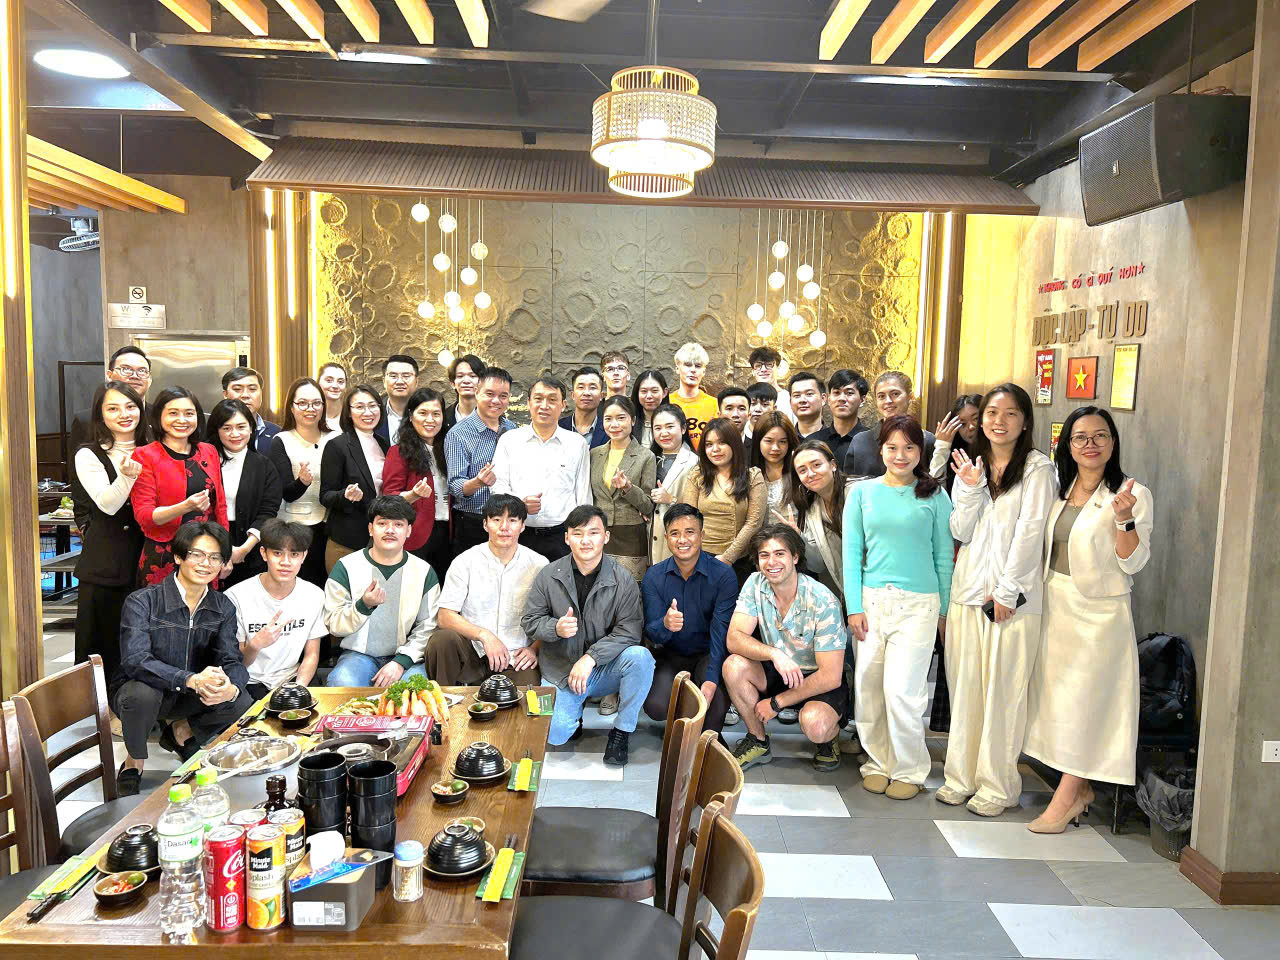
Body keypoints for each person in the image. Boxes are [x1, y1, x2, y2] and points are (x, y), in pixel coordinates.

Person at [1024, 407, 1153, 833]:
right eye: (1080, 437)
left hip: (1099, 615)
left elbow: (1133, 561)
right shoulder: (1059, 488)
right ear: (1068, 445)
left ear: (1113, 443)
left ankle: (1067, 797)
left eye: (1100, 436)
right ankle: (1078, 789)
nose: (1090, 444)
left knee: (1086, 703)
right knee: (1058, 702)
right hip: (1055, 605)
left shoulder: (1132, 493)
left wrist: (1124, 520)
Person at [939, 383, 1056, 817]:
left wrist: (1008, 591)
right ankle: (960, 777)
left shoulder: (1038, 469)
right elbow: (960, 530)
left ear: (1024, 421)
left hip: (1013, 600)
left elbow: (1031, 532)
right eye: (991, 413)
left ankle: (998, 785)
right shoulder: (972, 465)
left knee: (1002, 693)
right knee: (966, 688)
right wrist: (970, 489)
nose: (998, 421)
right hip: (967, 592)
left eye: (1009, 414)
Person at [843, 416, 954, 800]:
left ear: (921, 451)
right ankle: (878, 763)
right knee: (869, 689)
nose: (900, 455)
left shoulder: (935, 495)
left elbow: (944, 557)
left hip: (920, 605)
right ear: (881, 450)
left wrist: (945, 611)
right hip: (872, 603)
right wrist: (853, 607)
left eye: (909, 447)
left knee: (902, 691)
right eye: (892, 447)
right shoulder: (862, 493)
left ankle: (909, 769)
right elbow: (851, 553)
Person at [112, 521, 253, 794]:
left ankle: (181, 730)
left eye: (215, 557)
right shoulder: (142, 601)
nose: (205, 564)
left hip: (192, 695)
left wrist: (231, 687)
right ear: (178, 556)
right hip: (147, 689)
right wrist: (189, 679)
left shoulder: (222, 606)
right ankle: (134, 759)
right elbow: (135, 659)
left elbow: (231, 660)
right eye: (196, 554)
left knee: (241, 700)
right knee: (141, 695)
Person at [520, 505, 653, 766]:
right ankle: (574, 711)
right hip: (561, 669)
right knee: (555, 735)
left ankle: (622, 730)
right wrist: (555, 628)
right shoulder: (548, 575)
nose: (586, 540)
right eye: (578, 533)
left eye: (593, 533)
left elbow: (629, 631)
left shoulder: (622, 579)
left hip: (603, 668)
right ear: (566, 538)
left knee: (641, 658)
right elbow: (530, 621)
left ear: (606, 537)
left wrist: (590, 658)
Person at [722, 524, 848, 772]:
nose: (771, 562)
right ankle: (757, 740)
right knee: (733, 665)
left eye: (779, 553)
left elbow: (831, 676)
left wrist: (776, 703)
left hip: (816, 678)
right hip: (779, 669)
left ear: (795, 557)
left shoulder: (823, 601)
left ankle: (829, 738)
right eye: (764, 555)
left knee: (816, 725)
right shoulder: (755, 583)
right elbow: (734, 638)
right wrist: (774, 654)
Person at [70, 380, 147, 687]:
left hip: (146, 558)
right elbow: (108, 504)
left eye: (130, 406)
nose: (123, 414)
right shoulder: (88, 454)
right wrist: (127, 477)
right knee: (101, 645)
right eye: (113, 408)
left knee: (139, 642)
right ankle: (99, 706)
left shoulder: (154, 449)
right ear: (100, 415)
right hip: (106, 563)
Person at [427, 494, 548, 685]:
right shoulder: (465, 561)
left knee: (528, 696)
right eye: (496, 520)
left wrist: (535, 649)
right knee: (441, 640)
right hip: (472, 652)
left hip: (516, 658)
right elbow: (445, 616)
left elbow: (550, 617)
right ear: (485, 524)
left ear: (523, 525)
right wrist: (485, 636)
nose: (504, 527)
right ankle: (444, 698)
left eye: (512, 520)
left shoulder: (539, 565)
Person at [641, 504, 737, 734]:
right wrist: (665, 624)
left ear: (702, 535)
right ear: (666, 538)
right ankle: (683, 724)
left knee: (714, 703)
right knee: (656, 706)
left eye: (690, 532)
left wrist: (712, 678)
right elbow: (652, 632)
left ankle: (707, 741)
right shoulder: (654, 576)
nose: (682, 540)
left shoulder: (723, 575)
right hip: (670, 655)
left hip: (708, 654)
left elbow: (721, 633)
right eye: (675, 533)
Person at [323, 495, 438, 687]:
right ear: (370, 528)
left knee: (415, 691)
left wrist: (401, 662)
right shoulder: (346, 566)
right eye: (382, 523)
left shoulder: (423, 571)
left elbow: (429, 626)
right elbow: (333, 624)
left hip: (407, 658)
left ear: (409, 530)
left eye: (398, 525)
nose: (390, 530)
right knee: (342, 683)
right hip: (358, 656)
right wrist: (363, 606)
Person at [132, 387, 227, 586]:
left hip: (206, 554)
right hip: (164, 553)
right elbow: (145, 516)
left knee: (205, 605)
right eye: (173, 413)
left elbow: (220, 507)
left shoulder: (208, 451)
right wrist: (186, 506)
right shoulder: (145, 455)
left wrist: (224, 551)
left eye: (189, 413)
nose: (182, 420)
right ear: (159, 416)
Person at [492, 376, 590, 563]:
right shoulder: (510, 440)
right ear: (529, 403)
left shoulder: (577, 444)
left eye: (552, 400)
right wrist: (519, 505)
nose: (544, 405)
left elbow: (583, 495)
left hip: (561, 537)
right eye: (538, 399)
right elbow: (497, 488)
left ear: (563, 405)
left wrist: (580, 535)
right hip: (518, 534)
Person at [226, 519, 327, 699]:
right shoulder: (236, 597)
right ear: (264, 553)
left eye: (294, 554)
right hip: (248, 681)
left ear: (304, 556)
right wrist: (256, 644)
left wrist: (297, 689)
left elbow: (311, 654)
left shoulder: (314, 595)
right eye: (277, 553)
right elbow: (235, 664)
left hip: (291, 678)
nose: (285, 562)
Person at [68, 345, 153, 522]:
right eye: (126, 369)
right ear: (109, 375)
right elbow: (76, 478)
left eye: (142, 371)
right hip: (106, 524)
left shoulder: (162, 416)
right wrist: (84, 522)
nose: (135, 375)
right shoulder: (85, 421)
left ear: (150, 379)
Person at [206, 399, 283, 588]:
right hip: (207, 543)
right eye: (226, 428)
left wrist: (243, 549)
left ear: (251, 428)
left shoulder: (264, 466)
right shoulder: (204, 462)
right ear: (217, 430)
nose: (235, 434)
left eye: (241, 427)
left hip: (250, 545)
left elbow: (268, 511)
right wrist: (217, 550)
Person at [268, 376, 335, 588]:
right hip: (294, 530)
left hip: (330, 528)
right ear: (291, 407)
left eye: (316, 403)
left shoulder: (336, 438)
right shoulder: (281, 441)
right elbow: (286, 492)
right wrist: (302, 482)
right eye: (303, 403)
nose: (310, 409)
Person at [679, 418, 766, 578]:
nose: (715, 449)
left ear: (734, 444)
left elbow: (754, 523)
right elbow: (689, 517)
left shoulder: (752, 476)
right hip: (700, 557)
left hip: (739, 559)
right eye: (709, 444)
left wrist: (728, 557)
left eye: (722, 443)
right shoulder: (697, 475)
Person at [445, 367, 516, 554]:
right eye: (489, 394)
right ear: (477, 393)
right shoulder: (458, 433)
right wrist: (478, 482)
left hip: (507, 521)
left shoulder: (513, 429)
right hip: (472, 522)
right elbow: (455, 485)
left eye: (503, 396)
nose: (496, 401)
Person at [383, 387, 452, 577]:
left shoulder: (447, 449)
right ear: (411, 416)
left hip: (447, 532)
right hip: (415, 533)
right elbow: (389, 497)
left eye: (436, 414)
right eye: (423, 413)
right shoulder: (398, 452)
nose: (430, 420)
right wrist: (413, 495)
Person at [319, 384, 388, 572]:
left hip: (380, 540)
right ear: (349, 412)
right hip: (347, 540)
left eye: (372, 406)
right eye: (359, 407)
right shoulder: (337, 446)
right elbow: (325, 496)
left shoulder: (384, 444)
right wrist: (345, 495)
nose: (368, 412)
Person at [590, 396, 656, 582]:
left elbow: (648, 506)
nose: (614, 424)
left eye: (621, 418)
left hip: (631, 535)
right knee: (599, 587)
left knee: (629, 588)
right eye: (608, 419)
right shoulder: (594, 454)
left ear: (633, 420)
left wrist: (628, 487)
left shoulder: (646, 456)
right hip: (599, 532)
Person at [788, 439, 850, 606]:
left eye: (816, 465)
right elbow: (817, 566)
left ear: (833, 465)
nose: (810, 473)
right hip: (845, 592)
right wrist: (799, 538)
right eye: (802, 470)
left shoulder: (857, 493)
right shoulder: (811, 510)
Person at [844, 371, 935, 478]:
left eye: (895, 394)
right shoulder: (860, 441)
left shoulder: (927, 440)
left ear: (910, 396)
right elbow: (849, 483)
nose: (888, 401)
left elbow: (935, 481)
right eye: (881, 396)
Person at [648, 403, 699, 565]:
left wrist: (670, 499)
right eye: (658, 428)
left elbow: (698, 506)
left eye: (670, 427)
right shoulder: (649, 457)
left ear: (683, 428)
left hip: (678, 535)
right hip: (648, 535)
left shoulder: (694, 462)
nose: (664, 433)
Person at [752, 411, 799, 524]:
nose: (775, 448)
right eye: (769, 441)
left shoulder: (798, 471)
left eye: (782, 442)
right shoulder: (750, 473)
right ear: (758, 441)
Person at [669, 342, 718, 449]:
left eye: (698, 366)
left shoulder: (715, 405)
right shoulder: (667, 402)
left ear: (703, 372)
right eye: (687, 365)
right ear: (677, 369)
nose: (693, 370)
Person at [930, 393, 983, 492]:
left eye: (976, 419)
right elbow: (935, 493)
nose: (971, 427)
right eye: (963, 424)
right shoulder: (955, 457)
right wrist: (942, 447)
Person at [815, 369, 869, 465]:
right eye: (836, 392)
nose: (842, 398)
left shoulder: (873, 441)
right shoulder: (814, 442)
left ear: (862, 399)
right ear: (828, 399)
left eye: (849, 393)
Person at [222, 367, 280, 455]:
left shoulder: (277, 433)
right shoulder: (212, 434)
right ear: (225, 395)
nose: (245, 395)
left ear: (261, 393)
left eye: (252, 389)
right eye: (237, 389)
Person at [375, 354, 419, 446]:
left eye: (406, 376)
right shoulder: (374, 417)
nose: (400, 382)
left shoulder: (429, 417)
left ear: (417, 381)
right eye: (393, 376)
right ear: (384, 381)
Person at [560, 367, 608, 449]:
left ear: (601, 396)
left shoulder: (609, 429)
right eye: (581, 387)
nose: (586, 393)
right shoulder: (558, 427)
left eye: (592, 388)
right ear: (572, 395)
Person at [443, 353, 485, 437]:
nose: (466, 381)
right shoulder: (444, 418)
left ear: (482, 381)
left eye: (472, 376)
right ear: (452, 383)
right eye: (460, 376)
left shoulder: (492, 416)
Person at [748, 346, 793, 422]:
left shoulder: (788, 399)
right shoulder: (746, 398)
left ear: (778, 368)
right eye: (758, 366)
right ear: (753, 371)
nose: (763, 369)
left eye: (769, 365)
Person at [630, 369, 668, 449]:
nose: (649, 396)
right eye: (644, 391)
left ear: (664, 392)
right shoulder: (629, 422)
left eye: (654, 391)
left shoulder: (674, 420)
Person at [788, 372, 827, 439]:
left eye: (809, 394)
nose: (802, 400)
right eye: (797, 395)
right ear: (790, 402)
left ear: (823, 399)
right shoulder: (785, 441)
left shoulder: (836, 440)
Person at [318, 362, 347, 432]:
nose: (335, 386)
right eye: (329, 380)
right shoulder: (311, 415)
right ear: (318, 382)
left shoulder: (351, 417)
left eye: (340, 381)